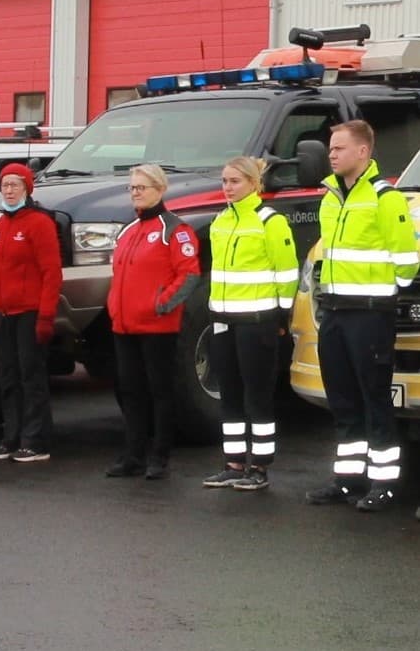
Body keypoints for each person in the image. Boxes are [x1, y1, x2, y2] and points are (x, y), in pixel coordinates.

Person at [306, 121, 417, 512]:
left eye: (339, 148)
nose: (331, 154)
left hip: (369, 314)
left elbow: (407, 262)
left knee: (375, 401)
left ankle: (384, 485)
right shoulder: (331, 197)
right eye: (331, 148)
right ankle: (348, 480)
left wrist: (379, 292)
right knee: (343, 401)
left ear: (363, 152)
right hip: (335, 311)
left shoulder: (385, 198)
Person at [204, 156, 297, 491]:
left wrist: (281, 315)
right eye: (224, 181)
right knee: (229, 393)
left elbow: (287, 273)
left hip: (257, 321)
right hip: (223, 320)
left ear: (254, 184)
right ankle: (232, 464)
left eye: (235, 181)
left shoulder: (270, 221)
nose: (227, 187)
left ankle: (259, 466)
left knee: (257, 396)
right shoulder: (221, 221)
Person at [104, 163, 201, 479]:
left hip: (157, 327)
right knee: (130, 390)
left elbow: (189, 275)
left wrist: (161, 305)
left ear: (160, 189)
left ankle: (159, 455)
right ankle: (133, 454)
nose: (135, 193)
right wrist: (114, 307)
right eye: (132, 187)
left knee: (160, 391)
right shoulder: (128, 230)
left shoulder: (174, 230)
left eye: (141, 187)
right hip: (124, 325)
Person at [0, 162, 62, 462]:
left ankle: (36, 440)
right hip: (3, 311)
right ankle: (12, 436)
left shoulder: (39, 223)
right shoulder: (0, 225)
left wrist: (46, 315)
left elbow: (51, 272)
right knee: (7, 377)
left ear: (27, 189)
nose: (9, 190)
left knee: (31, 376)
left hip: (29, 311)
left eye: (15, 185)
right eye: (5, 185)